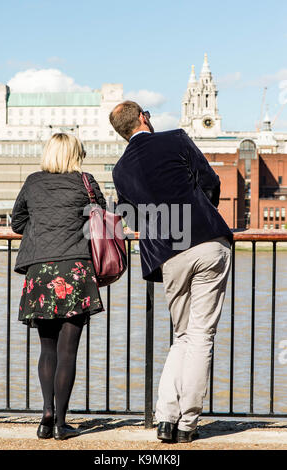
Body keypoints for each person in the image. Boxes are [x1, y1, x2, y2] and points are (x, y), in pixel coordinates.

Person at [109, 101, 233, 443]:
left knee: (182, 336)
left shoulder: (120, 170)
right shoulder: (176, 139)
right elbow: (210, 180)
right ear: (143, 118)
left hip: (168, 255)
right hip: (208, 242)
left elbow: (130, 218)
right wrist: (201, 210)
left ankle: (165, 419)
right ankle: (187, 423)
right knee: (201, 335)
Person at [11, 133, 106, 440]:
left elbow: (16, 222)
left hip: (40, 271)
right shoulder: (86, 181)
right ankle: (62, 423)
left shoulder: (33, 181)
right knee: (68, 353)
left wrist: (42, 229)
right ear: (75, 154)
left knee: (47, 349)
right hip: (76, 269)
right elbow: (101, 218)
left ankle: (45, 415)